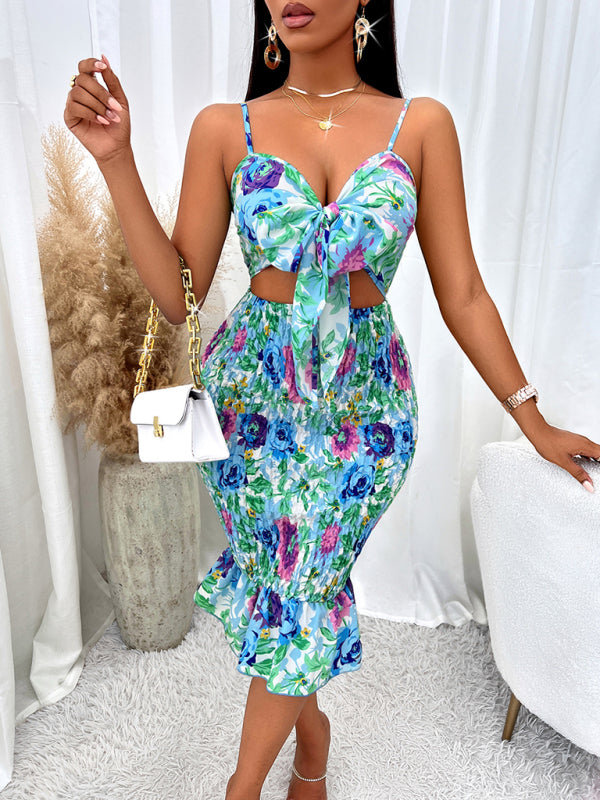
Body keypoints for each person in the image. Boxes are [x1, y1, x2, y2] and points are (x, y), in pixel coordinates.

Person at [64, 1, 600, 798]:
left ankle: (240, 788)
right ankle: (309, 740)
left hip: (365, 410)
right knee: (291, 587)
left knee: (302, 583)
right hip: (251, 402)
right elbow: (179, 296)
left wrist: (532, 417)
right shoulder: (225, 128)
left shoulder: (421, 125)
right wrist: (116, 161)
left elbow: (463, 293)